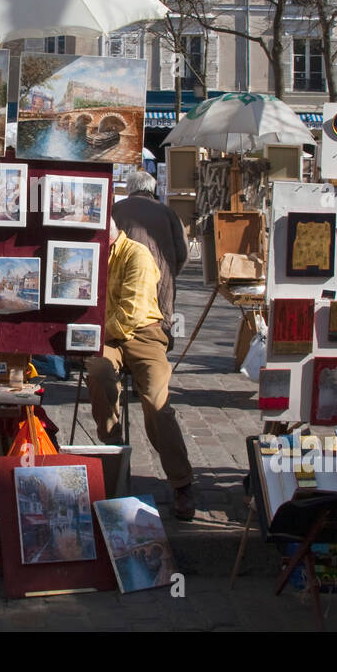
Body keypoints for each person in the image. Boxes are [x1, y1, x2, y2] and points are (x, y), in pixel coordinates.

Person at [88, 218, 196, 521]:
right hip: (107, 333)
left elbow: (131, 314)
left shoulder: (137, 254)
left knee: (156, 400)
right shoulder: (93, 254)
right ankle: (113, 451)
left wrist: (92, 336)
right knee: (98, 372)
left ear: (108, 236)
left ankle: (181, 481)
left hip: (142, 331)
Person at [113, 169, 188, 349]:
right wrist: (169, 273)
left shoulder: (116, 209)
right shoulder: (168, 212)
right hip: (160, 276)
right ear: (151, 189)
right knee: (157, 319)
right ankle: (154, 354)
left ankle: (121, 353)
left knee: (123, 312)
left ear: (129, 188)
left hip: (122, 274)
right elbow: (183, 252)